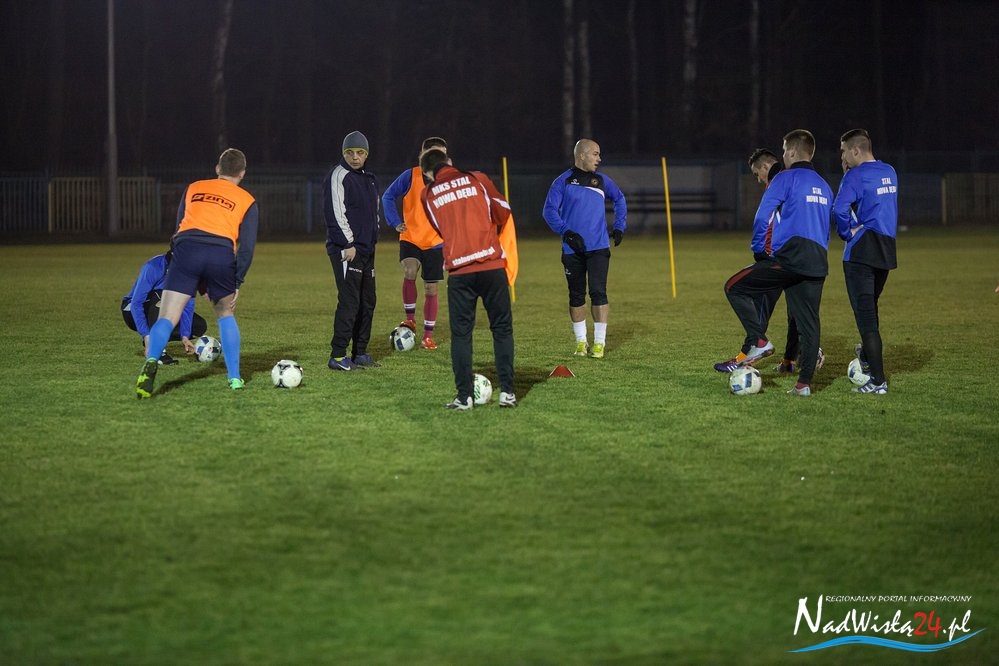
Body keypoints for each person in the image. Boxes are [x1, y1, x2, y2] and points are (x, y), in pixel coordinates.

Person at [135, 148, 259, 398]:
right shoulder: (247, 200)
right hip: (220, 252)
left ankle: (151, 362)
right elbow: (247, 248)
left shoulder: (194, 188)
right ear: (242, 173)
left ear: (218, 169)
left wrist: (185, 263)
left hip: (187, 248)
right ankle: (235, 378)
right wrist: (237, 281)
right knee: (225, 314)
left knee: (167, 316)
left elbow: (178, 229)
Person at [718, 129, 831, 396]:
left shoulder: (784, 178)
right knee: (808, 322)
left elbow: (762, 217)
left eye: (783, 151)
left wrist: (759, 250)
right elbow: (828, 225)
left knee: (734, 287)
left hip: (789, 259)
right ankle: (803, 384)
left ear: (791, 152)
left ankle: (759, 341)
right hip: (818, 260)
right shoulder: (824, 185)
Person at [419, 148, 517, 410]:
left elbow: (440, 227)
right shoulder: (478, 178)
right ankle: (507, 393)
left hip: (460, 271)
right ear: (450, 162)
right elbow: (503, 211)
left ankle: (464, 397)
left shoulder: (428, 194)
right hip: (491, 265)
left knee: (461, 335)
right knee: (502, 329)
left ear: (427, 173)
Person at [542, 138, 627, 359]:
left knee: (598, 292)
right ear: (581, 155)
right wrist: (566, 232)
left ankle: (599, 344)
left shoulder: (602, 181)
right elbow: (549, 211)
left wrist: (619, 226)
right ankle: (581, 343)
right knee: (576, 295)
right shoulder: (562, 182)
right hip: (572, 249)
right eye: (595, 154)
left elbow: (619, 199)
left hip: (598, 247)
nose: (599, 159)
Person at [832, 129, 898, 394]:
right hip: (885, 251)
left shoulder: (854, 176)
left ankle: (878, 381)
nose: (842, 157)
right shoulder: (890, 171)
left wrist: (847, 233)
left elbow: (839, 208)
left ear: (855, 150)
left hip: (860, 253)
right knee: (871, 309)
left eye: (843, 151)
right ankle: (868, 358)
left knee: (866, 319)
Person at [381, 136, 448, 350]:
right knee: (409, 270)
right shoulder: (411, 175)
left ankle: (428, 336)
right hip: (411, 238)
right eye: (434, 153)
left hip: (436, 243)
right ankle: (410, 320)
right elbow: (387, 196)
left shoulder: (448, 180)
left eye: (442, 154)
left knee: (431, 287)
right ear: (423, 154)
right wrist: (395, 222)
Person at [324, 130, 380, 371]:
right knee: (350, 301)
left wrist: (372, 239)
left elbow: (374, 213)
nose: (355, 157)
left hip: (367, 250)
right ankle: (338, 356)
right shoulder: (338, 176)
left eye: (360, 152)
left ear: (366, 154)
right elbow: (335, 213)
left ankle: (360, 353)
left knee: (368, 301)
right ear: (343, 153)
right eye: (350, 152)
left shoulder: (370, 179)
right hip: (347, 250)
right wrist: (348, 244)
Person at [121, 251, 208, 365]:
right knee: (162, 294)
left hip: (158, 308)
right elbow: (136, 304)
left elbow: (187, 305)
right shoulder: (153, 266)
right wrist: (146, 336)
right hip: (131, 310)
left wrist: (185, 336)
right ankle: (155, 348)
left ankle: (154, 337)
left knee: (198, 326)